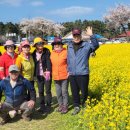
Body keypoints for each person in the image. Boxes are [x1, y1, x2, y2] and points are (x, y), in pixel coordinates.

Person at [67, 27, 99, 115]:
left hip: (83, 73)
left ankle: (85, 105)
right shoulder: (69, 46)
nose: (76, 37)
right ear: (72, 36)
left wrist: (91, 35)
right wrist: (68, 70)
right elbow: (68, 60)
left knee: (84, 91)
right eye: (74, 35)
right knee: (74, 91)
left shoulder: (87, 45)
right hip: (72, 73)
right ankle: (76, 106)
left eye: (78, 35)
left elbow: (96, 45)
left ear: (80, 36)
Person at [32, 37, 52, 113]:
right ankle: (42, 106)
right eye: (39, 44)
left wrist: (48, 71)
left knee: (47, 90)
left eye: (42, 43)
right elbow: (33, 65)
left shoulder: (46, 51)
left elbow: (48, 62)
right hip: (38, 75)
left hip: (46, 74)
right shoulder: (33, 53)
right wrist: (34, 75)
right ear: (36, 45)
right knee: (40, 91)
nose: (40, 45)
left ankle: (48, 105)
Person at [50, 37, 69, 114]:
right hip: (55, 76)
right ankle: (60, 105)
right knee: (58, 92)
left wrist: (69, 72)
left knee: (64, 92)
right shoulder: (52, 53)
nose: (57, 46)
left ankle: (65, 106)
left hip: (64, 75)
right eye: (55, 45)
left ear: (61, 45)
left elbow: (70, 63)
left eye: (58, 44)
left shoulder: (66, 52)